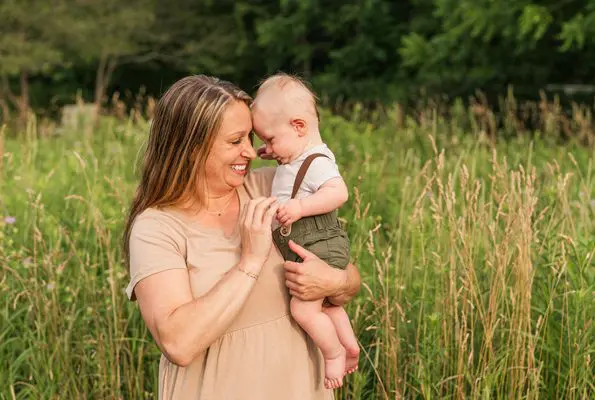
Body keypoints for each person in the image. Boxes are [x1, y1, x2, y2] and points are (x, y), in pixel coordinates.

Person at [122, 75, 361, 399]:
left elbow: (347, 275)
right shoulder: (157, 228)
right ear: (191, 149)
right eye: (235, 141)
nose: (250, 152)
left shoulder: (273, 188)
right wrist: (249, 261)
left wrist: (333, 282)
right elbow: (178, 343)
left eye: (249, 138)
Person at [251, 74, 360, 389]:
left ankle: (334, 352)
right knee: (326, 303)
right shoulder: (297, 157)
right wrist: (274, 153)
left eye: (270, 139)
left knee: (303, 309)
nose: (267, 147)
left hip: (318, 239)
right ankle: (349, 343)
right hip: (310, 243)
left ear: (298, 127)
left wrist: (300, 208)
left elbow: (339, 193)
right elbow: (289, 172)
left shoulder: (317, 162)